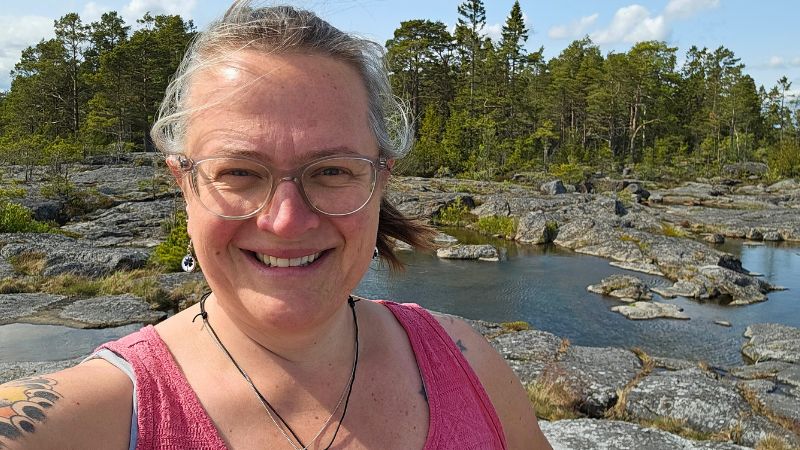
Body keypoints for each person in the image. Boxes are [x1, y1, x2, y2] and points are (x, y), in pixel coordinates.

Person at [0, 2, 552, 449]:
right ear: (184, 183)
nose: (286, 221)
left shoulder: (468, 365)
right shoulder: (91, 417)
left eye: (332, 170)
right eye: (239, 172)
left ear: (381, 180)